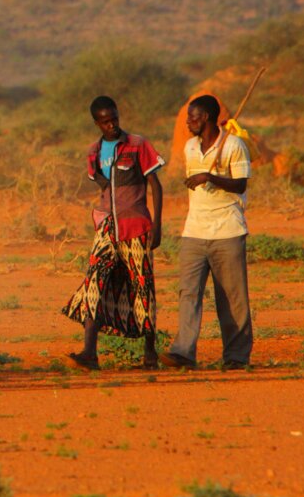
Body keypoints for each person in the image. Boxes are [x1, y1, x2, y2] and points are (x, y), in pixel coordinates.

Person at [63, 96, 165, 370]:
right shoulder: (93, 152)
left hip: (136, 226)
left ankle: (150, 354)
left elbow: (155, 185)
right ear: (96, 123)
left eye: (115, 119)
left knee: (142, 286)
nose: (112, 125)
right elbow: (97, 179)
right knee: (93, 284)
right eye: (105, 122)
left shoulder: (138, 145)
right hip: (107, 227)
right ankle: (89, 353)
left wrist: (157, 225)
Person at [161, 94, 252, 369]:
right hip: (194, 230)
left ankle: (236, 357)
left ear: (208, 119)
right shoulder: (190, 147)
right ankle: (184, 352)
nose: (189, 122)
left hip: (228, 229)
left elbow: (241, 185)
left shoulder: (234, 145)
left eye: (194, 117)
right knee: (188, 292)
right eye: (188, 117)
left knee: (232, 297)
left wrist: (210, 176)